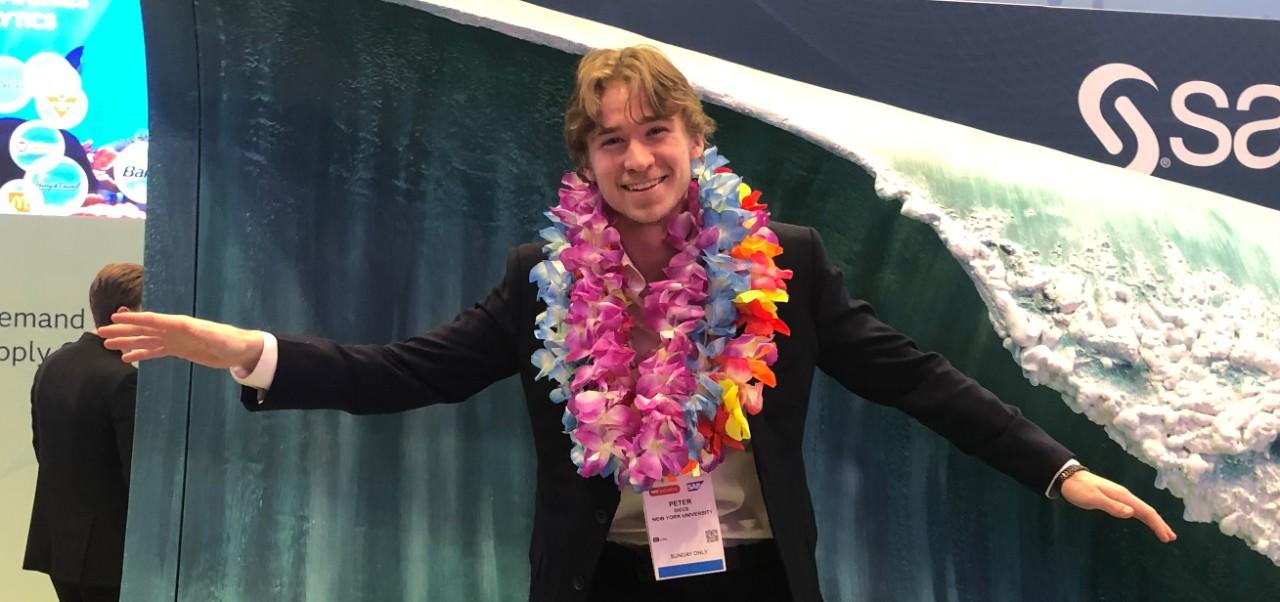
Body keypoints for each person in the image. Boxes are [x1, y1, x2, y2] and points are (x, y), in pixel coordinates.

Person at [100, 47, 1175, 601]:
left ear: (692, 139)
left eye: (654, 131)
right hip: (600, 577)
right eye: (610, 141)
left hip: (755, 575)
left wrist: (1057, 469)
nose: (638, 158)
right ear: (586, 161)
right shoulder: (544, 279)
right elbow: (410, 371)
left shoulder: (782, 264)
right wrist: (244, 350)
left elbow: (912, 375)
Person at [25, 263, 143, 602]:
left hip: (58, 546)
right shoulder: (125, 379)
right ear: (125, 316)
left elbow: (41, 447)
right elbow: (137, 477)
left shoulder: (53, 363)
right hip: (109, 556)